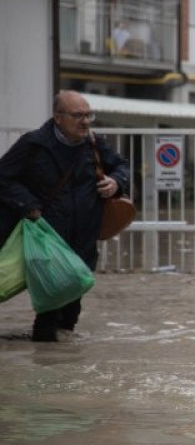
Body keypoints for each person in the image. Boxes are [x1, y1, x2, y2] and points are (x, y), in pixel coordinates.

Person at [0, 90, 130, 342]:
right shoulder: (33, 144)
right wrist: (28, 204)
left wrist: (116, 182)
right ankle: (47, 350)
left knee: (72, 300)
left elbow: (121, 165)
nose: (85, 121)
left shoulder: (93, 143)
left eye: (88, 114)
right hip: (47, 236)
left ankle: (63, 351)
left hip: (83, 235)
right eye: (77, 115)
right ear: (58, 118)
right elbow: (3, 177)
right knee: (50, 304)